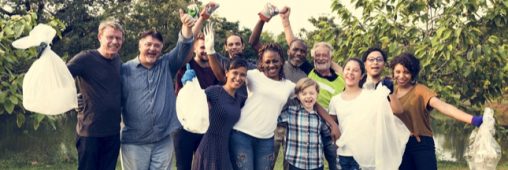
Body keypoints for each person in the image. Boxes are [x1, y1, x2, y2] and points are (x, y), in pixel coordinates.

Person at [248, 6, 341, 170]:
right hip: (274, 123)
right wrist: (263, 19)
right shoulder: (276, 64)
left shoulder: (306, 73)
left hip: (295, 122)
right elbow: (254, 42)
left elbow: (312, 101)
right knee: (267, 163)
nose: (298, 53)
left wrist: (332, 124)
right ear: (288, 51)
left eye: (302, 51)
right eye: (295, 49)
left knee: (290, 163)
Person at [119, 9, 195, 170]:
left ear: (161, 49)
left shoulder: (167, 64)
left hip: (163, 140)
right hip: (134, 142)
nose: (152, 49)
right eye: (148, 44)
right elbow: (108, 94)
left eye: (157, 46)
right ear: (140, 45)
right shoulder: (124, 70)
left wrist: (186, 26)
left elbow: (184, 45)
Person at [390, 53, 483, 170]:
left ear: (413, 74)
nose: (402, 76)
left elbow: (443, 107)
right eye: (398, 72)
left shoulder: (420, 90)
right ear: (393, 72)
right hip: (399, 145)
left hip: (421, 144)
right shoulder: (389, 93)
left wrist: (473, 119)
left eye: (406, 72)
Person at [329, 58, 406, 170]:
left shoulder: (370, 96)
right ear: (343, 72)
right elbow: (332, 125)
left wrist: (391, 92)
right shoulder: (335, 100)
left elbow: (398, 110)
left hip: (365, 157)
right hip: (343, 155)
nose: (351, 73)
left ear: (361, 76)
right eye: (348, 69)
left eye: (355, 70)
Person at [66, 18, 123, 170]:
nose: (114, 41)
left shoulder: (118, 60)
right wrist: (71, 99)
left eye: (118, 38)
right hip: (89, 133)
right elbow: (61, 78)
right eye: (110, 37)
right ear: (100, 37)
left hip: (112, 133)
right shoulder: (85, 58)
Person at [172, 3, 220, 170]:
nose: (205, 51)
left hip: (205, 126)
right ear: (194, 48)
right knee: (183, 166)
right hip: (183, 126)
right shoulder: (186, 64)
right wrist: (202, 18)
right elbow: (185, 43)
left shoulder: (215, 68)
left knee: (204, 166)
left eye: (207, 47)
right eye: (201, 47)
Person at [191, 58, 249, 170]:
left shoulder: (240, 100)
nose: (238, 78)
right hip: (208, 147)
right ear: (227, 73)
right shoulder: (215, 91)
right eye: (235, 73)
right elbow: (194, 100)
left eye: (242, 75)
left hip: (225, 148)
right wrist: (189, 84)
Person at [279, 78, 329, 170]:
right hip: (295, 162)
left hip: (316, 163)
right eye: (304, 93)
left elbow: (327, 133)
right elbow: (275, 118)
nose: (308, 96)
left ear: (317, 94)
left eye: (311, 93)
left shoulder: (320, 116)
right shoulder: (291, 112)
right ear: (297, 96)